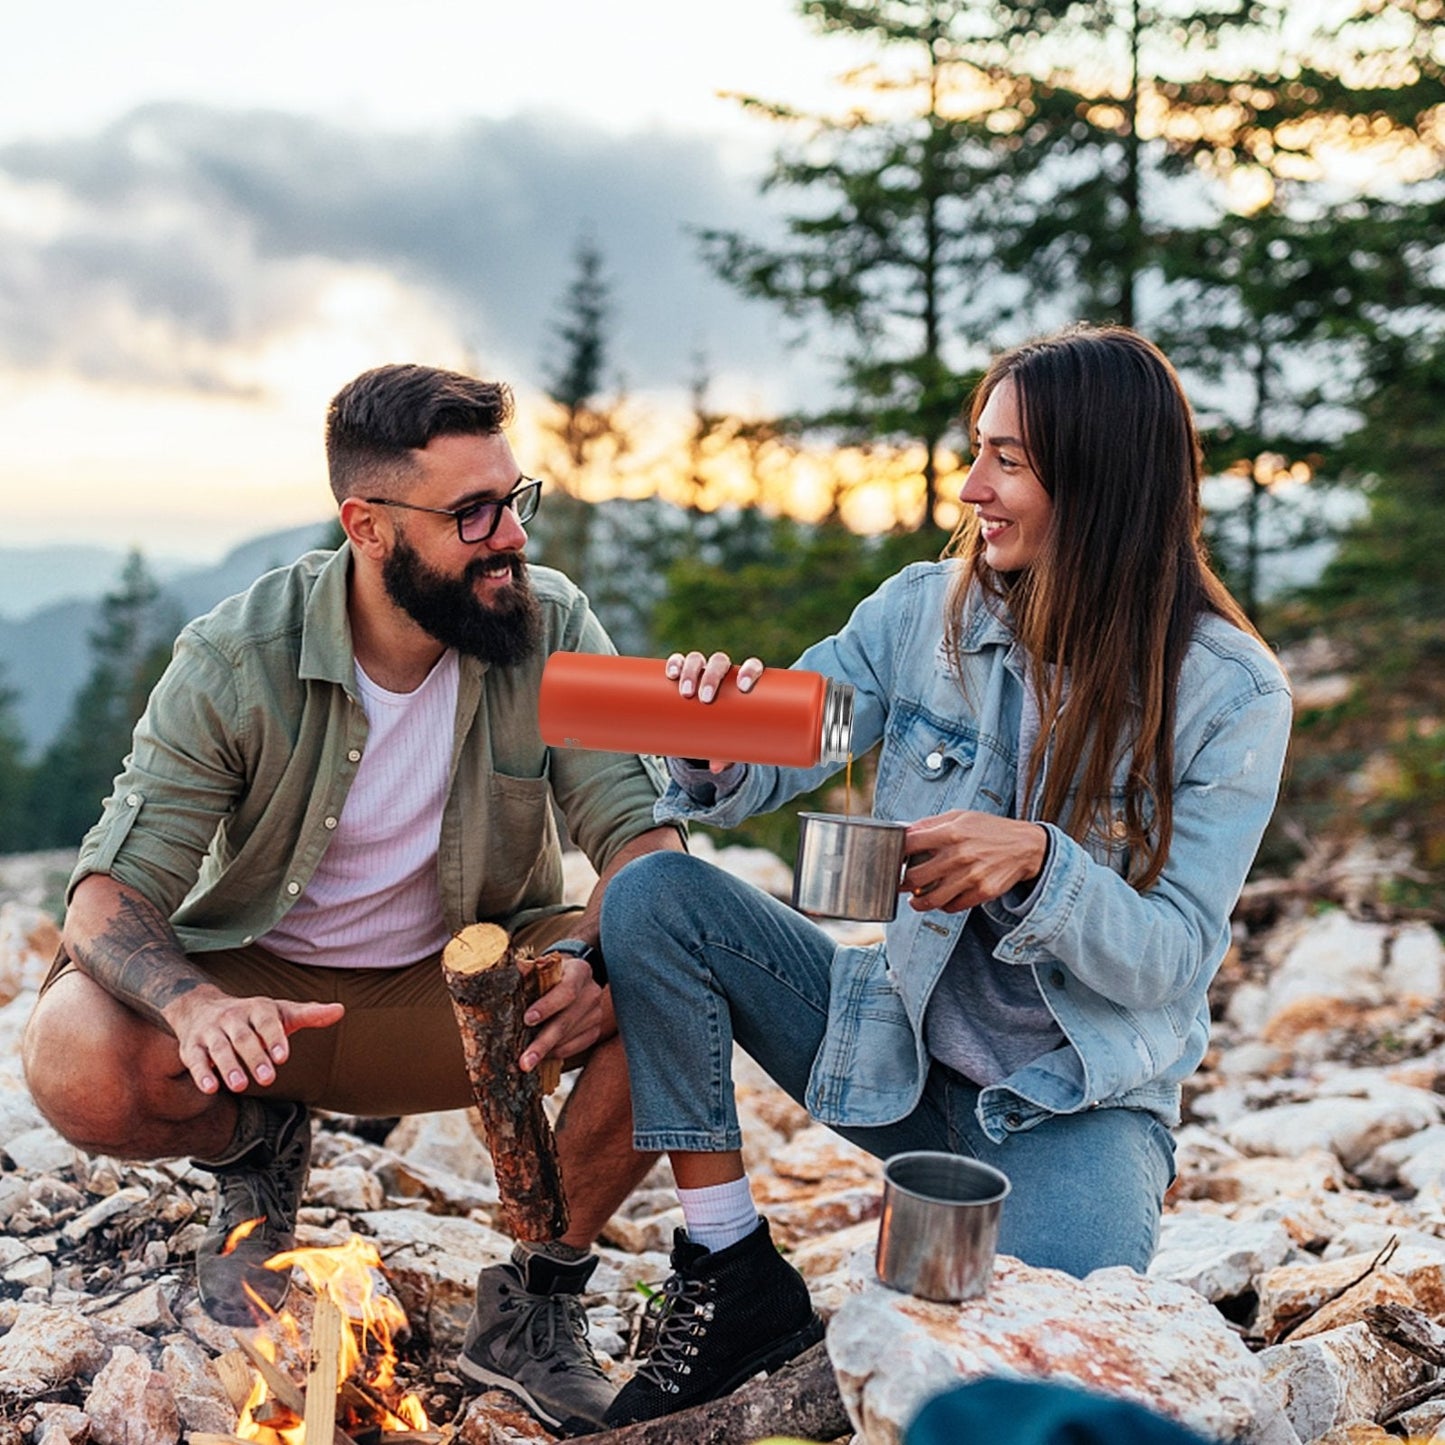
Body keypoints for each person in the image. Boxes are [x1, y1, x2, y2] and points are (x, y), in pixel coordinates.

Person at [596, 325, 1293, 1427]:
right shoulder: (922, 611)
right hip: (895, 1053)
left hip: (1076, 1108)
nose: (970, 486)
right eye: (978, 449)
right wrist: (711, 738)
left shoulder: (1229, 693)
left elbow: (1172, 955)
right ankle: (728, 1265)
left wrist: (1040, 862)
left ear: (1097, 477)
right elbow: (788, 737)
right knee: (656, 897)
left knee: (1031, 1383)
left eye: (1006, 459)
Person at [21, 363, 684, 1437]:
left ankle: (536, 1300)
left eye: (514, 499)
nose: (508, 534)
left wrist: (604, 964)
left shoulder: (550, 619)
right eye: (471, 513)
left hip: (472, 998)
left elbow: (641, 837)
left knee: (679, 956)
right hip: (265, 1003)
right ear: (367, 525)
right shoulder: (239, 654)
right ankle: (253, 1149)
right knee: (73, 1054)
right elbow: (104, 895)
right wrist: (194, 1007)